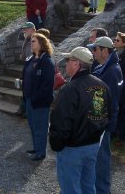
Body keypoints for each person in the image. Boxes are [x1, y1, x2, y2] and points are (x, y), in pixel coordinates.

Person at [49, 47, 111, 194]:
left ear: (77, 64)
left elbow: (61, 121)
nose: (66, 64)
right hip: (93, 145)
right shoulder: (101, 86)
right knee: (88, 185)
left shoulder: (70, 89)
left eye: (68, 60)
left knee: (71, 188)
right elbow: (107, 115)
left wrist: (56, 144)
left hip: (72, 148)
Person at [87, 37, 122, 194]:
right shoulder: (104, 68)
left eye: (95, 49)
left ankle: (102, 190)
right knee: (98, 160)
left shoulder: (111, 72)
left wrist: (99, 123)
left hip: (102, 123)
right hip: (99, 122)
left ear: (104, 51)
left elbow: (108, 102)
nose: (93, 52)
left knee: (101, 161)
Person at [23, 33, 55, 161]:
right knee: (32, 125)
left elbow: (47, 84)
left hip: (40, 101)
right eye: (31, 41)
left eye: (34, 41)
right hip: (29, 98)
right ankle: (36, 147)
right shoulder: (31, 59)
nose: (31, 43)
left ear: (41, 44)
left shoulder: (46, 61)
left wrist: (37, 97)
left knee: (40, 127)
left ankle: (41, 152)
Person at [15, 21, 36, 118]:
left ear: (32, 29)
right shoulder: (26, 39)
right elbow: (25, 53)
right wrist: (22, 56)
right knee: (24, 89)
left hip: (33, 68)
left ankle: (28, 111)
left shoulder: (36, 39)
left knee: (30, 90)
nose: (24, 31)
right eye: (24, 29)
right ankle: (22, 108)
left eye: (26, 29)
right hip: (27, 66)